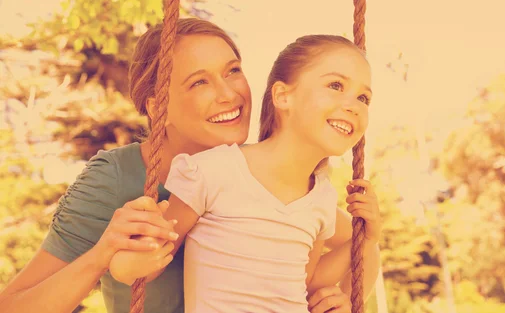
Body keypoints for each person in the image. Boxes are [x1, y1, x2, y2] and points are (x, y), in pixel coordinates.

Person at [0, 19, 380, 313]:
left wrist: (339, 299)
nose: (228, 94)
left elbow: (324, 262)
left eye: (232, 71)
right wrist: (102, 254)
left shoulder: (265, 176)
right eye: (199, 83)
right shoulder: (119, 178)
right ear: (156, 106)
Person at [110, 34, 382, 313]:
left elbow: (304, 282)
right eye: (336, 85)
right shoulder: (215, 171)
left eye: (364, 98)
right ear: (283, 96)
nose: (353, 105)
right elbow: (137, 266)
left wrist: (364, 241)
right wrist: (129, 259)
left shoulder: (321, 197)